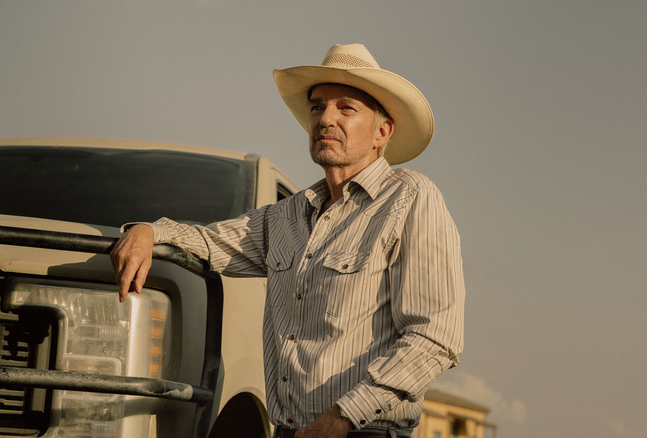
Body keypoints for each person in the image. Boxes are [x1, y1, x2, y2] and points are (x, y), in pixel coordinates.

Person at [110, 43, 464, 438]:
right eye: (317, 107)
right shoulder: (287, 215)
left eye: (346, 107)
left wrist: (341, 417)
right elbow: (208, 241)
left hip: (364, 432)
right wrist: (149, 231)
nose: (326, 118)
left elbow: (435, 337)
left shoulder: (411, 198)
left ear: (382, 131)